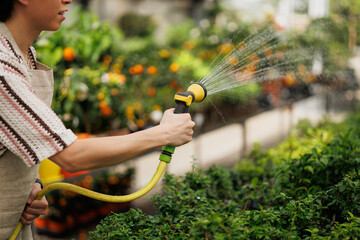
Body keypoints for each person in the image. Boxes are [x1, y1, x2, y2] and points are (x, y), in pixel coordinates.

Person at [0, 0, 195, 239]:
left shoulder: (22, 54)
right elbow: (71, 156)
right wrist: (162, 134)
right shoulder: (2, 67)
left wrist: (33, 184)